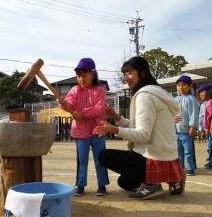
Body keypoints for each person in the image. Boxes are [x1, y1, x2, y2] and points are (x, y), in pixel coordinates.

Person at [95, 56, 185, 200]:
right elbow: (142, 126)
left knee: (103, 156)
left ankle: (151, 184)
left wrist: (114, 129)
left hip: (153, 156)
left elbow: (143, 135)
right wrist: (118, 118)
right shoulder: (157, 92)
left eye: (130, 73)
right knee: (124, 182)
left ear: (142, 74)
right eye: (124, 74)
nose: (126, 77)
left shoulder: (145, 96)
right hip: (167, 156)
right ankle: (173, 179)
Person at [58, 58, 109, 196]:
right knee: (82, 159)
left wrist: (83, 114)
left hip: (98, 129)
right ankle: (80, 185)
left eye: (84, 75)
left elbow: (99, 108)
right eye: (79, 75)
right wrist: (62, 103)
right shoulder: (75, 90)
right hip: (80, 131)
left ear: (93, 74)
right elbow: (70, 105)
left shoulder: (99, 90)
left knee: (100, 158)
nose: (81, 79)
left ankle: (102, 185)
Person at [174, 75, 199, 176]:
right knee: (178, 151)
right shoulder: (175, 99)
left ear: (190, 86)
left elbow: (193, 113)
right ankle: (180, 167)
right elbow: (170, 112)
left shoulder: (191, 99)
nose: (181, 87)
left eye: (184, 85)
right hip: (176, 130)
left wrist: (193, 127)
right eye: (179, 85)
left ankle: (190, 168)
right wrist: (172, 118)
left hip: (187, 131)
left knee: (188, 151)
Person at [203, 85, 212, 169]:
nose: (201, 94)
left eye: (203, 91)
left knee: (210, 147)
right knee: (210, 146)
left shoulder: (209, 103)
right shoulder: (208, 103)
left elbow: (207, 117)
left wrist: (206, 127)